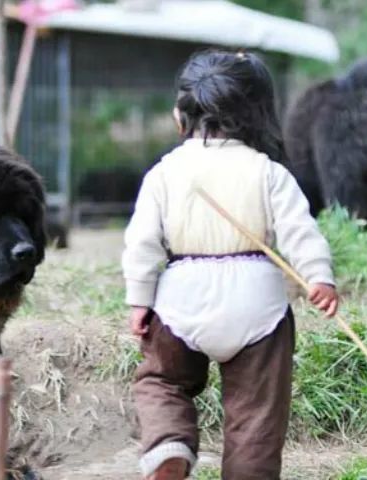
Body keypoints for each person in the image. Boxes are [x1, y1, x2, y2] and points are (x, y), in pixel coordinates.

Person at [122, 50, 339, 480]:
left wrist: (139, 300)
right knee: (256, 415)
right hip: (256, 301)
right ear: (258, 115)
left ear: (180, 115)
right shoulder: (268, 172)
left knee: (162, 382)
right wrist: (319, 276)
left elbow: (142, 244)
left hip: (183, 295)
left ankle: (169, 445)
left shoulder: (165, 173)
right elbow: (301, 230)